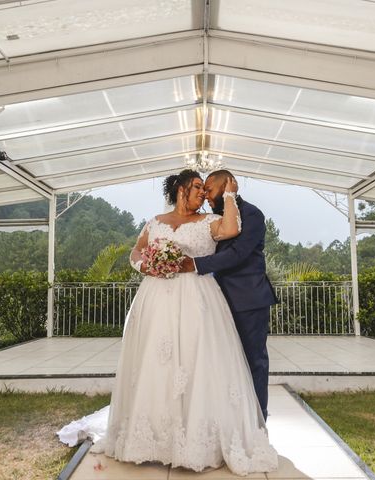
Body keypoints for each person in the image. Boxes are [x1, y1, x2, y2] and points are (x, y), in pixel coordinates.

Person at [57, 169, 278, 476]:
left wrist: (228, 194)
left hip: (202, 300)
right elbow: (136, 251)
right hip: (157, 301)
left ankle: (236, 427)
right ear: (180, 189)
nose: (203, 193)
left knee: (204, 363)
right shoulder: (155, 222)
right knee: (157, 364)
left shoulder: (212, 220)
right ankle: (156, 437)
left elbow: (233, 236)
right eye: (198, 187)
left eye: (206, 188)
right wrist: (145, 265)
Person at [180, 170, 278, 421]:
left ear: (227, 187)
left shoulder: (253, 214)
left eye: (210, 190)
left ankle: (258, 420)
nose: (206, 196)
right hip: (216, 302)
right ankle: (230, 418)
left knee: (253, 361)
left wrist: (195, 264)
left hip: (248, 301)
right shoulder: (214, 217)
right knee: (222, 362)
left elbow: (238, 254)